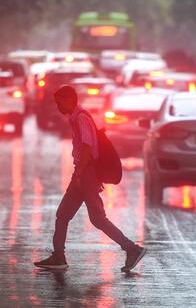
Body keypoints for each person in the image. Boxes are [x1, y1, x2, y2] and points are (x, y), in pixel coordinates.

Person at [34, 85, 146, 272]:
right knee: (63, 214)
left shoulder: (82, 118)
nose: (58, 106)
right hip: (84, 173)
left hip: (85, 174)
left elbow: (88, 149)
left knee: (97, 219)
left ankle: (132, 249)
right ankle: (58, 256)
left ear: (70, 100)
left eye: (59, 102)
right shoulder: (76, 118)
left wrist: (80, 175)